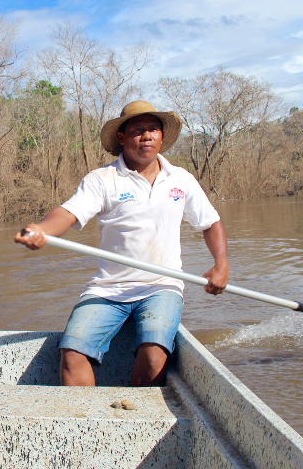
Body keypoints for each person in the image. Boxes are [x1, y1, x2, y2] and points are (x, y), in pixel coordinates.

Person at [15, 100, 229, 387]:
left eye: (153, 129)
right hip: (109, 289)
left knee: (153, 356)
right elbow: (68, 213)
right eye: (138, 130)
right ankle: (88, 424)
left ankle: (139, 421)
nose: (147, 136)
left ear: (162, 137)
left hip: (162, 286)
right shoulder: (102, 180)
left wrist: (221, 264)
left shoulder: (181, 179)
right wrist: (42, 229)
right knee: (71, 354)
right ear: (122, 138)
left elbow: (210, 223)